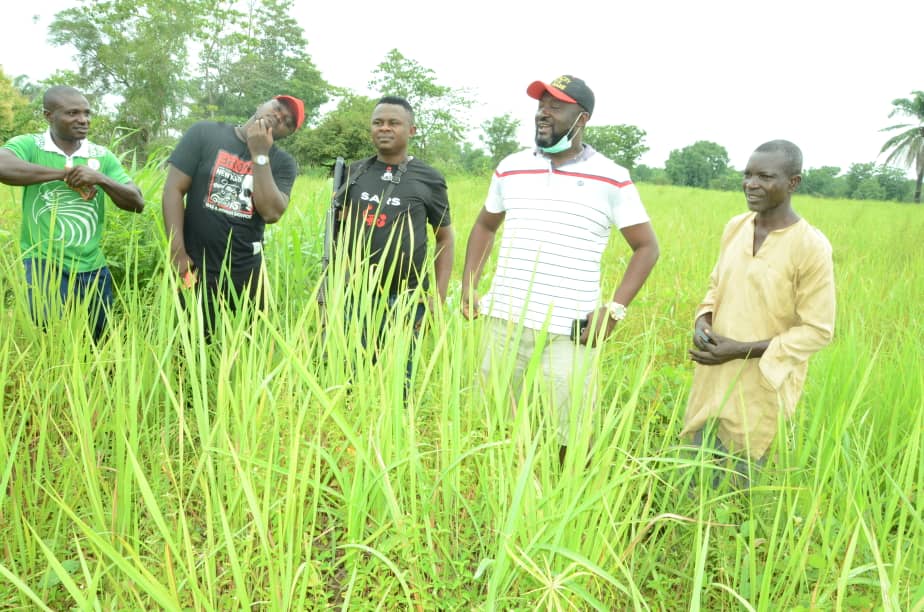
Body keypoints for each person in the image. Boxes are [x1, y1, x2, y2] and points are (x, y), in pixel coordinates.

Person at [461, 75, 659, 463]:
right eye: (541, 105)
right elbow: (486, 225)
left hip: (570, 330)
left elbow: (647, 247)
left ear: (581, 118)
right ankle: (506, 486)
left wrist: (614, 309)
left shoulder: (611, 176)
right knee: (495, 415)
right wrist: (470, 283)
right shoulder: (511, 167)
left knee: (568, 428)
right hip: (503, 319)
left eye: (556, 106)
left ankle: (564, 498)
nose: (543, 113)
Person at [682, 139, 835, 488]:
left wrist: (740, 349)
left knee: (737, 489)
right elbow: (716, 286)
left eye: (765, 176)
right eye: (748, 175)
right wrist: (702, 319)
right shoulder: (736, 227)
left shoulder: (810, 246)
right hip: (712, 376)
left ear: (793, 182)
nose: (751, 184)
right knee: (692, 472)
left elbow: (817, 330)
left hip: (761, 383)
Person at [0, 85, 145, 342]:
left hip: (92, 266)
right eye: (72, 113)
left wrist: (99, 178)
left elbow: (137, 202)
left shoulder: (101, 156)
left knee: (99, 342)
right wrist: (67, 174)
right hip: (43, 263)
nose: (83, 120)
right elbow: (3, 166)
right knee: (49, 341)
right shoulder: (30, 145)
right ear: (48, 115)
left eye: (87, 113)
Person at [331, 95, 454, 385]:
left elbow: (445, 238)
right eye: (378, 123)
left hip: (408, 298)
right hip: (357, 295)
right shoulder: (354, 172)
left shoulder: (429, 178)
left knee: (400, 380)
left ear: (411, 130)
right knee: (353, 379)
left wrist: (438, 296)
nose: (384, 128)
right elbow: (339, 232)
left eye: (393, 123)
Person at [162, 95, 304, 339]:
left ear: (288, 133)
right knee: (188, 343)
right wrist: (178, 255)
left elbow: (271, 212)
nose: (279, 116)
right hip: (195, 265)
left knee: (239, 346)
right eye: (278, 108)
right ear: (262, 103)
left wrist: (260, 153)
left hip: (245, 274)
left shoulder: (283, 163)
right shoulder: (204, 134)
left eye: (287, 122)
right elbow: (173, 190)